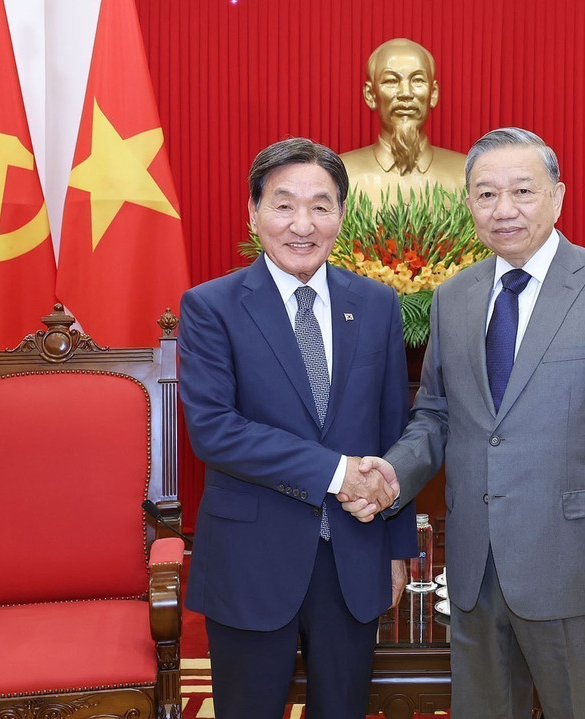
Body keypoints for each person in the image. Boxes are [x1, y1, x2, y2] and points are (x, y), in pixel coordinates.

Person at [351, 128, 585, 718]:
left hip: (576, 564)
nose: (504, 210)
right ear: (469, 203)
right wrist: (391, 474)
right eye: (486, 194)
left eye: (522, 191)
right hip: (475, 564)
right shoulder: (454, 297)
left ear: (558, 196)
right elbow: (436, 414)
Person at [179, 137, 416, 719]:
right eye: (284, 205)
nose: (302, 225)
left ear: (341, 214)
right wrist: (336, 472)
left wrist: (397, 550)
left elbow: (393, 432)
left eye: (320, 205)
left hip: (354, 556)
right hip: (250, 560)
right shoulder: (212, 307)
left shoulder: (378, 304)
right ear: (254, 213)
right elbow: (215, 430)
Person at [341, 38, 466, 205]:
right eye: (391, 81)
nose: (406, 93)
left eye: (418, 80)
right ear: (370, 95)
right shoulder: (339, 176)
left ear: (433, 93)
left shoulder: (467, 176)